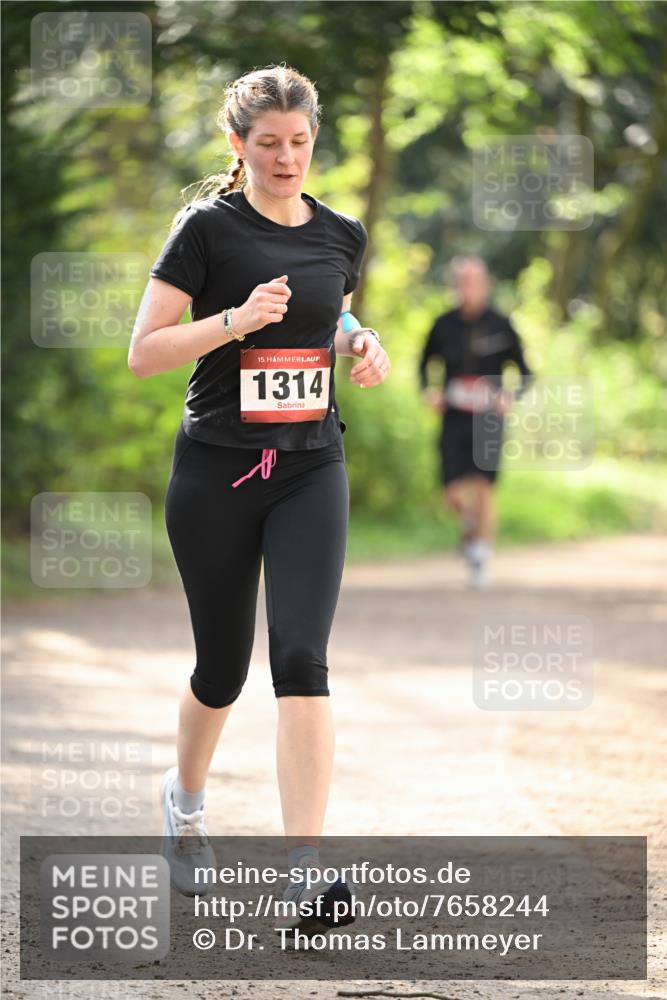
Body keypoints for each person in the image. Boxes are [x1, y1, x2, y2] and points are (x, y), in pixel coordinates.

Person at [128, 65, 390, 928]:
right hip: (216, 472)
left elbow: (329, 312)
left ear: (316, 139)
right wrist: (235, 321)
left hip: (311, 465)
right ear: (236, 145)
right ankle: (187, 801)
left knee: (301, 659)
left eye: (300, 142)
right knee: (221, 669)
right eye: (268, 144)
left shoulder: (341, 233)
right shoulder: (207, 230)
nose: (286, 158)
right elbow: (147, 351)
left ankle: (306, 874)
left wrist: (362, 341)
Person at [418, 256, 532, 587]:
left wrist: (510, 395)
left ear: (486, 284)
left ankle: (481, 554)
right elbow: (425, 363)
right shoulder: (442, 324)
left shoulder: (501, 324)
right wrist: (429, 391)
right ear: (454, 285)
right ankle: (469, 526)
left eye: (474, 280)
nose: (467, 287)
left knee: (483, 486)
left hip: (489, 418)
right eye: (461, 281)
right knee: (452, 491)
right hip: (453, 416)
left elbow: (525, 372)